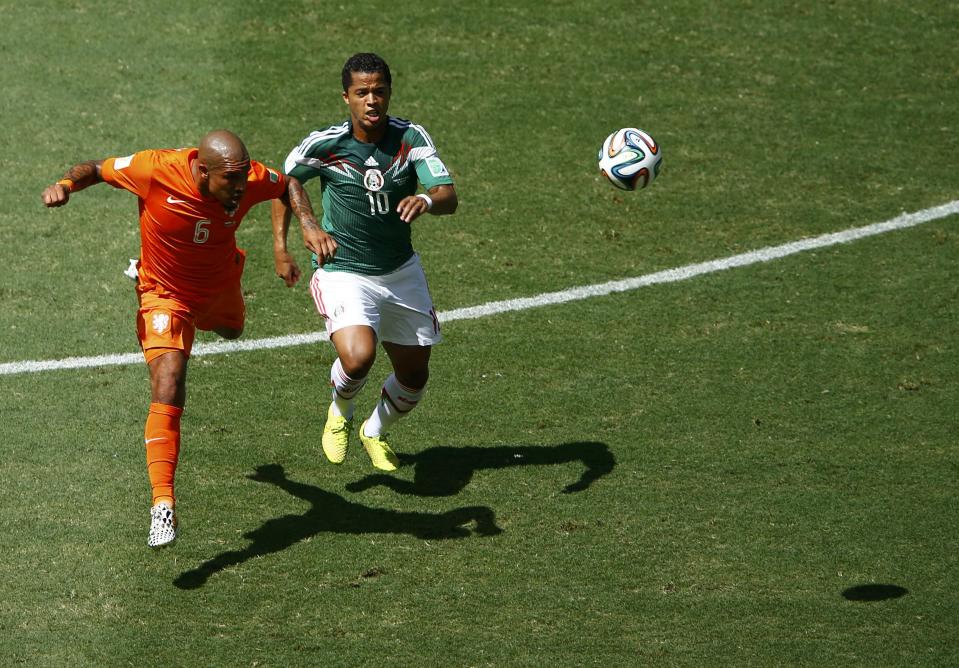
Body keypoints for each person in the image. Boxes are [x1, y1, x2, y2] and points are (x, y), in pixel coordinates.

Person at [41, 130, 324, 547]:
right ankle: (162, 505)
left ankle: (200, 316)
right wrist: (64, 185)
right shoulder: (154, 170)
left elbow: (289, 185)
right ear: (202, 171)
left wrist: (299, 232)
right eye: (231, 180)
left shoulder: (245, 178)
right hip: (164, 294)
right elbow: (96, 169)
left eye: (245, 176)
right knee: (169, 381)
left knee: (233, 330)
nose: (242, 186)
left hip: (218, 285)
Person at [272, 52, 458, 472]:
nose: (371, 100)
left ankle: (374, 431)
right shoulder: (326, 144)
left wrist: (426, 198)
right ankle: (340, 413)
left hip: (401, 272)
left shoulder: (411, 138)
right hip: (345, 272)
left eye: (379, 91)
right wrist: (296, 234)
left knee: (414, 378)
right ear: (346, 97)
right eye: (362, 93)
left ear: (389, 93)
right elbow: (285, 181)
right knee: (358, 357)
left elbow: (448, 194)